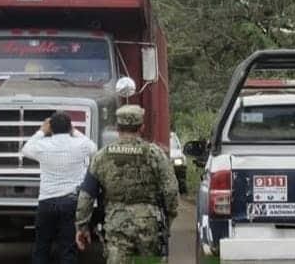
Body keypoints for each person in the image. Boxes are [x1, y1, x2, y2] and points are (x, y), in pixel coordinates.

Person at [75, 105, 179, 264]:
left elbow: (86, 195)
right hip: (149, 224)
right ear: (142, 127)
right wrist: (170, 216)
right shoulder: (154, 154)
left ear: (117, 128)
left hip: (116, 223)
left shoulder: (102, 156)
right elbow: (170, 190)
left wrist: (82, 227)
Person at [22, 112, 97, 264]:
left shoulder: (42, 145)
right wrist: (74, 130)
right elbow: (93, 147)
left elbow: (26, 149)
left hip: (46, 202)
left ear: (51, 128)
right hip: (71, 202)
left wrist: (42, 131)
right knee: (68, 247)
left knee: (41, 247)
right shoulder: (79, 145)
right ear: (69, 127)